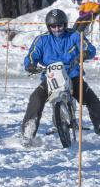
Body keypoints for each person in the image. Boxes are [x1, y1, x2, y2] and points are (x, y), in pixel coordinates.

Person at [21, 9, 100, 144]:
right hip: (51, 78)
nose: (57, 29)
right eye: (53, 26)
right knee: (36, 98)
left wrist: (85, 53)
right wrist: (30, 64)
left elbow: (89, 48)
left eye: (60, 25)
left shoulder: (74, 35)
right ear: (48, 27)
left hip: (72, 76)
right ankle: (28, 132)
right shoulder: (42, 39)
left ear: (65, 24)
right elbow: (31, 55)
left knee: (91, 100)